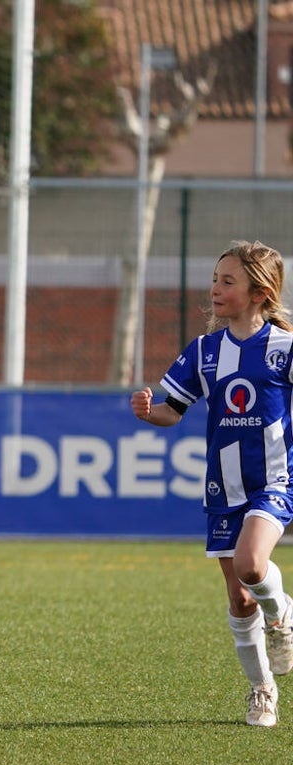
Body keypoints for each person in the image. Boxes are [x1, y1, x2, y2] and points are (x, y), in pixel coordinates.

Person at [130, 239, 293, 728]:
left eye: (228, 281)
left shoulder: (285, 350)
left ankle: (282, 613)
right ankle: (262, 691)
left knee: (250, 564)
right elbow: (171, 411)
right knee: (239, 596)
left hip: (275, 480)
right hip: (223, 487)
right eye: (214, 279)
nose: (215, 289)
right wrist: (147, 411)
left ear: (259, 292)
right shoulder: (204, 352)